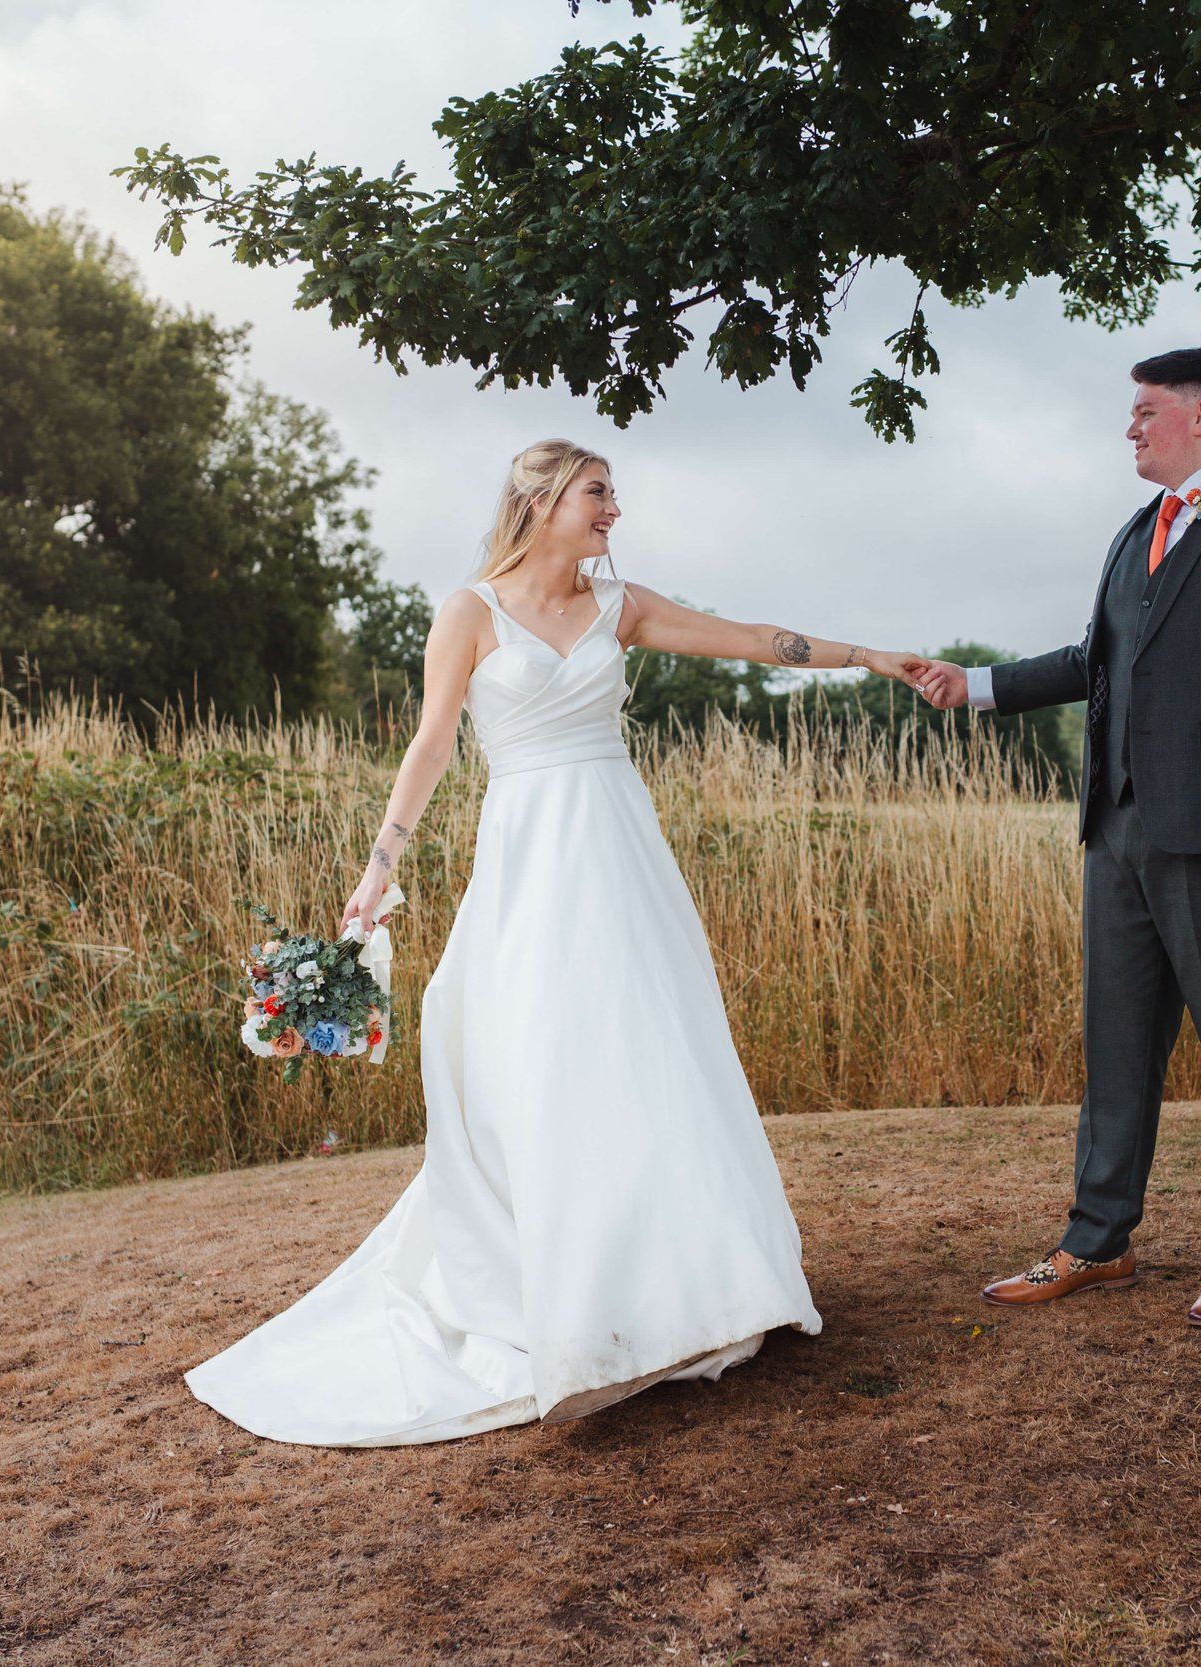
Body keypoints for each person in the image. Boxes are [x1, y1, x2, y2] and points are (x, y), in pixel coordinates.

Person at [186, 438, 915, 1444]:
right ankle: (562, 1294)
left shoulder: (623, 605)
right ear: (539, 500)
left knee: (651, 1045)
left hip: (617, 844)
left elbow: (751, 638)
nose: (615, 507)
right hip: (530, 849)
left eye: (613, 492)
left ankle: (695, 1288)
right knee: (533, 1049)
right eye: (597, 491)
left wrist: (868, 656)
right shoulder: (470, 611)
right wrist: (379, 863)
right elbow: (433, 739)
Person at [904, 349, 1201, 1327]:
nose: (1129, 429)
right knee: (1117, 1044)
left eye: (1144, 413)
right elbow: (1094, 660)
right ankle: (1096, 1240)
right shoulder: (1134, 532)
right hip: (1120, 827)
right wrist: (971, 683)